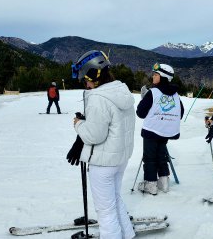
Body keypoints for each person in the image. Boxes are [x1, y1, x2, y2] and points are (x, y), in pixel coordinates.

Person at [66, 50, 136, 239]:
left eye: (85, 80)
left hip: (103, 163)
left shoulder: (98, 98)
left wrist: (79, 124)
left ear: (93, 75)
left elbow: (94, 135)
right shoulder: (121, 90)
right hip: (120, 158)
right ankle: (127, 235)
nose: (85, 84)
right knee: (115, 200)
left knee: (106, 212)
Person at [136, 63, 184, 195]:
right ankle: (164, 182)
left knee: (150, 157)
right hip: (166, 132)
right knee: (161, 156)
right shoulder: (175, 95)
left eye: (156, 74)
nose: (153, 76)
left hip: (151, 131)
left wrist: (144, 99)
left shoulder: (153, 92)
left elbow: (140, 113)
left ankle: (150, 184)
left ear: (163, 77)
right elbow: (180, 113)